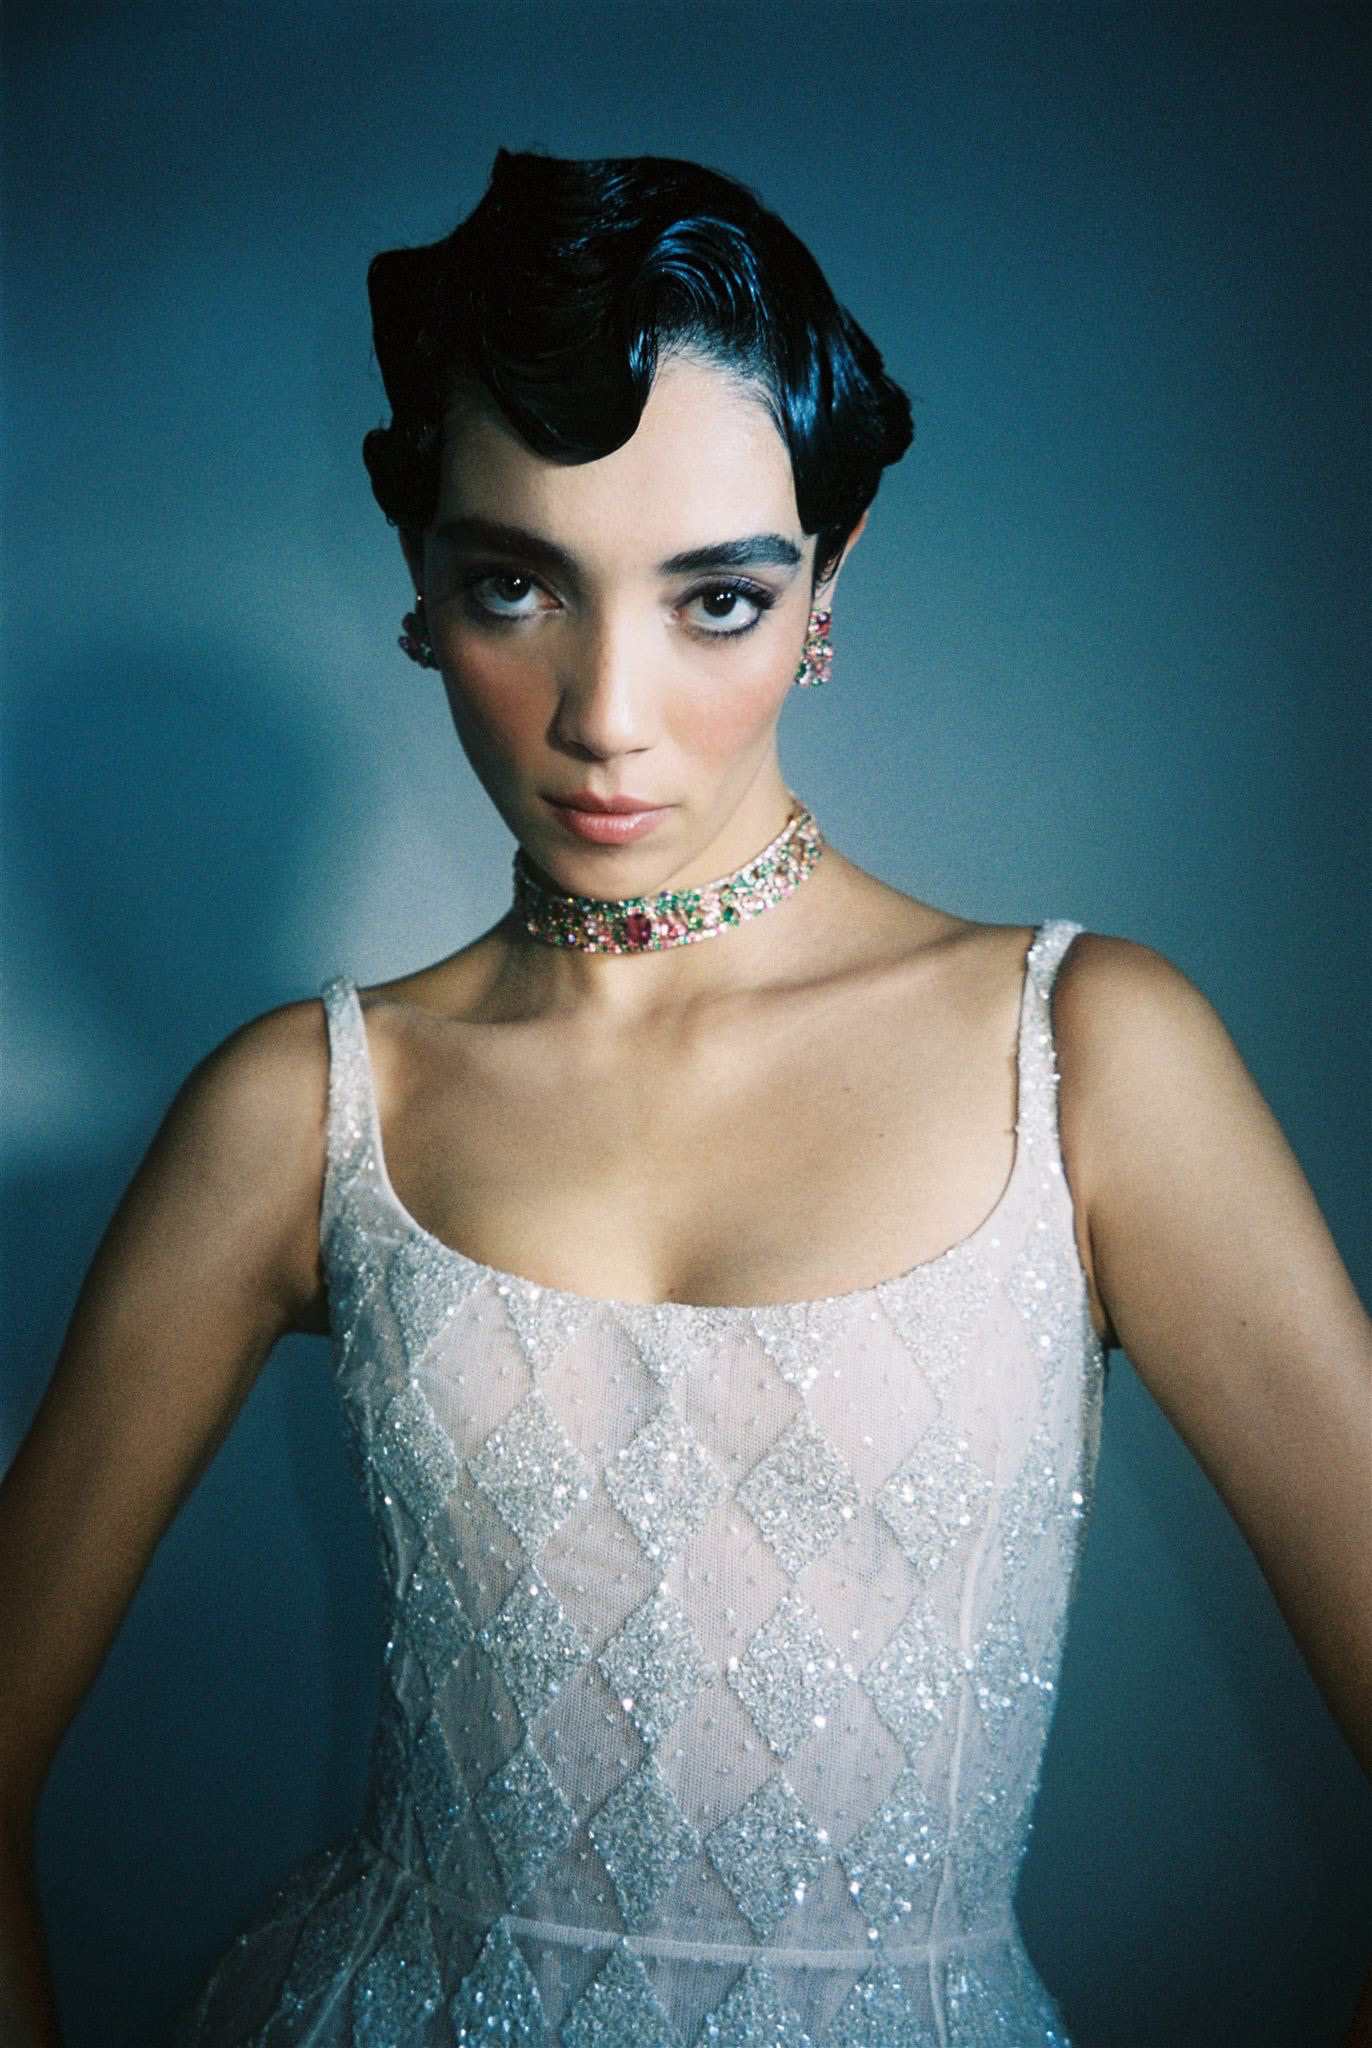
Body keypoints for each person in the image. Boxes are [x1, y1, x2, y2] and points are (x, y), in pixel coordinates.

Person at [1, 146, 1367, 2048]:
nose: (605, 715)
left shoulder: (1088, 1056)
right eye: (515, 585)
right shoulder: (298, 1108)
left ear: (830, 582)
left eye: (715, 599)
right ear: (420, 588)